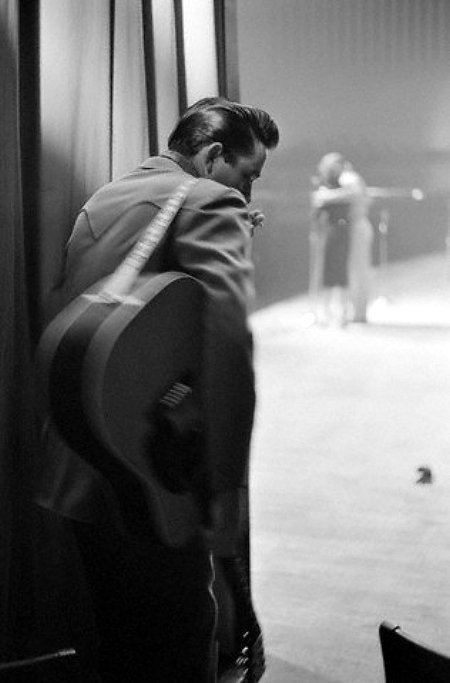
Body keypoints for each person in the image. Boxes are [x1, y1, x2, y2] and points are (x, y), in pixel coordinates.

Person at [35, 97, 279, 683]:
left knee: (121, 645)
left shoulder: (106, 197)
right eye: (247, 176)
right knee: (177, 648)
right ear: (215, 154)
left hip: (80, 465)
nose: (247, 194)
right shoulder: (211, 200)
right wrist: (225, 487)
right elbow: (228, 344)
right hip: (154, 475)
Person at [310, 153, 373, 325]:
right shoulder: (346, 177)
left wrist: (324, 196)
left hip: (357, 225)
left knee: (357, 271)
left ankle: (358, 313)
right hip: (352, 225)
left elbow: (353, 194)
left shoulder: (348, 176)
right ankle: (356, 312)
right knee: (353, 270)